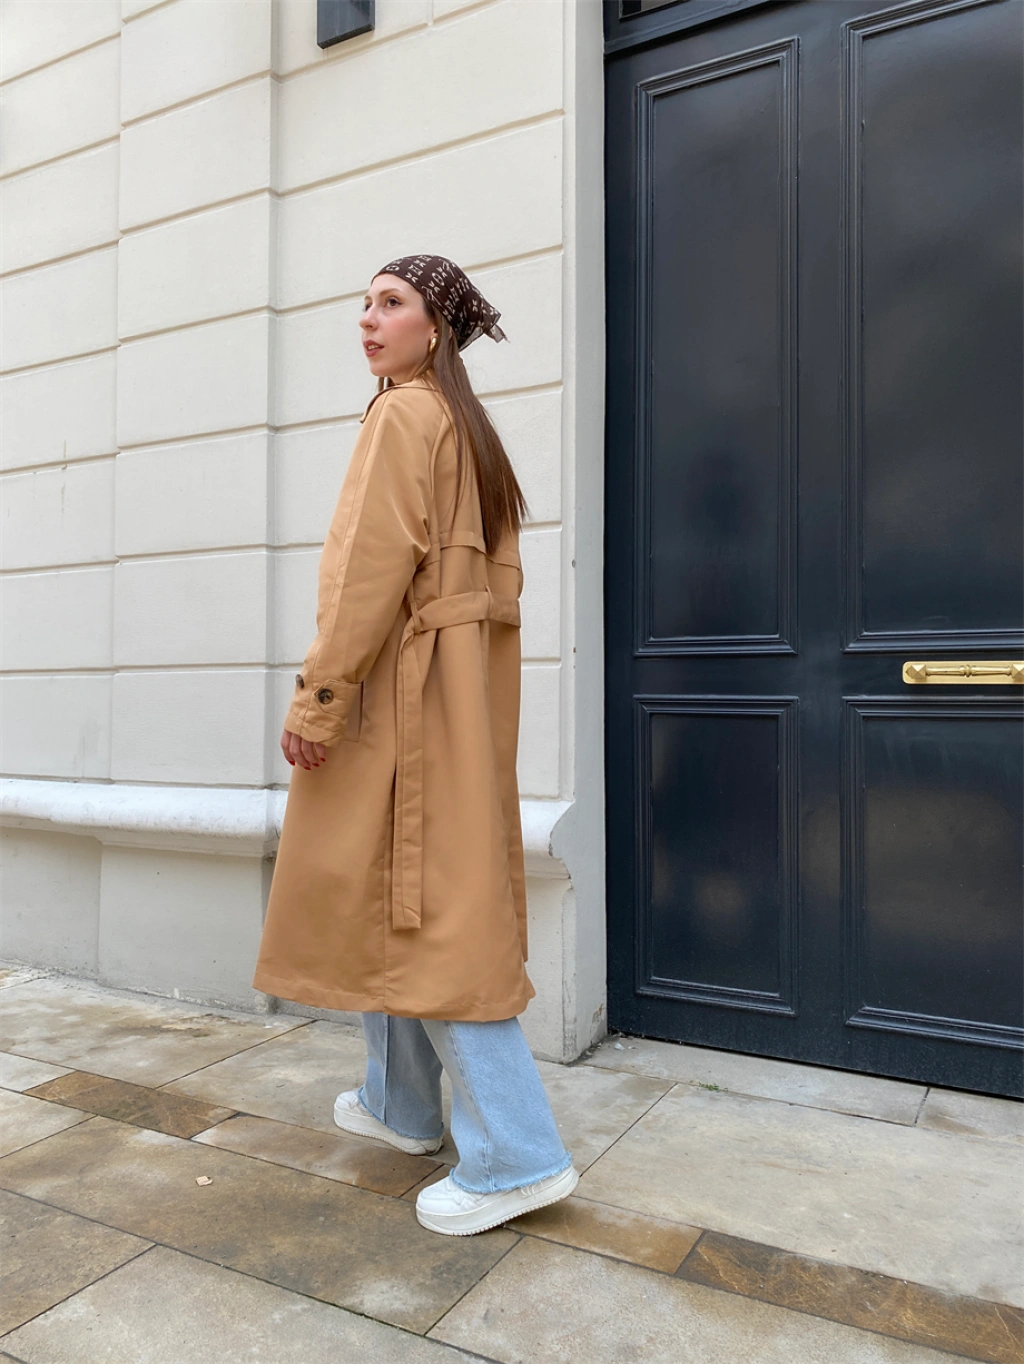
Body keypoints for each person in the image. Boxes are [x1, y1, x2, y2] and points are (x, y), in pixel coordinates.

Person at [252, 253, 578, 1235]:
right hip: (447, 700)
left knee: (430, 910)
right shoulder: (465, 428)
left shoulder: (404, 416)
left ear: (436, 327)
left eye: (390, 303)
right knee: (392, 892)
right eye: (364, 303)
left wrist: (319, 700)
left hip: (401, 701)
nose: (367, 318)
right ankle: (399, 1104)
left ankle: (518, 1154)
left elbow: (366, 574)